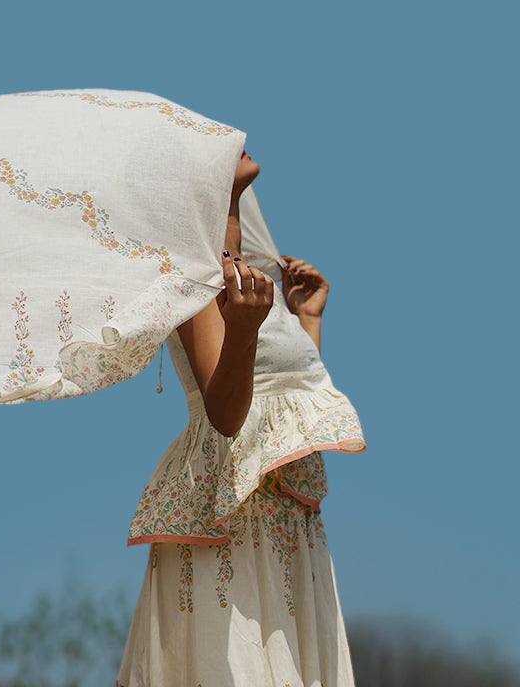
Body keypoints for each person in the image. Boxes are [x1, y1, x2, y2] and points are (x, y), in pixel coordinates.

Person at [117, 150, 366, 687]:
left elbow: (285, 402)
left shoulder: (251, 276)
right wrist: (245, 329)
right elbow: (226, 415)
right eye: (215, 143)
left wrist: (306, 319)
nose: (237, 142)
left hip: (281, 525)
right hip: (231, 517)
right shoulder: (193, 271)